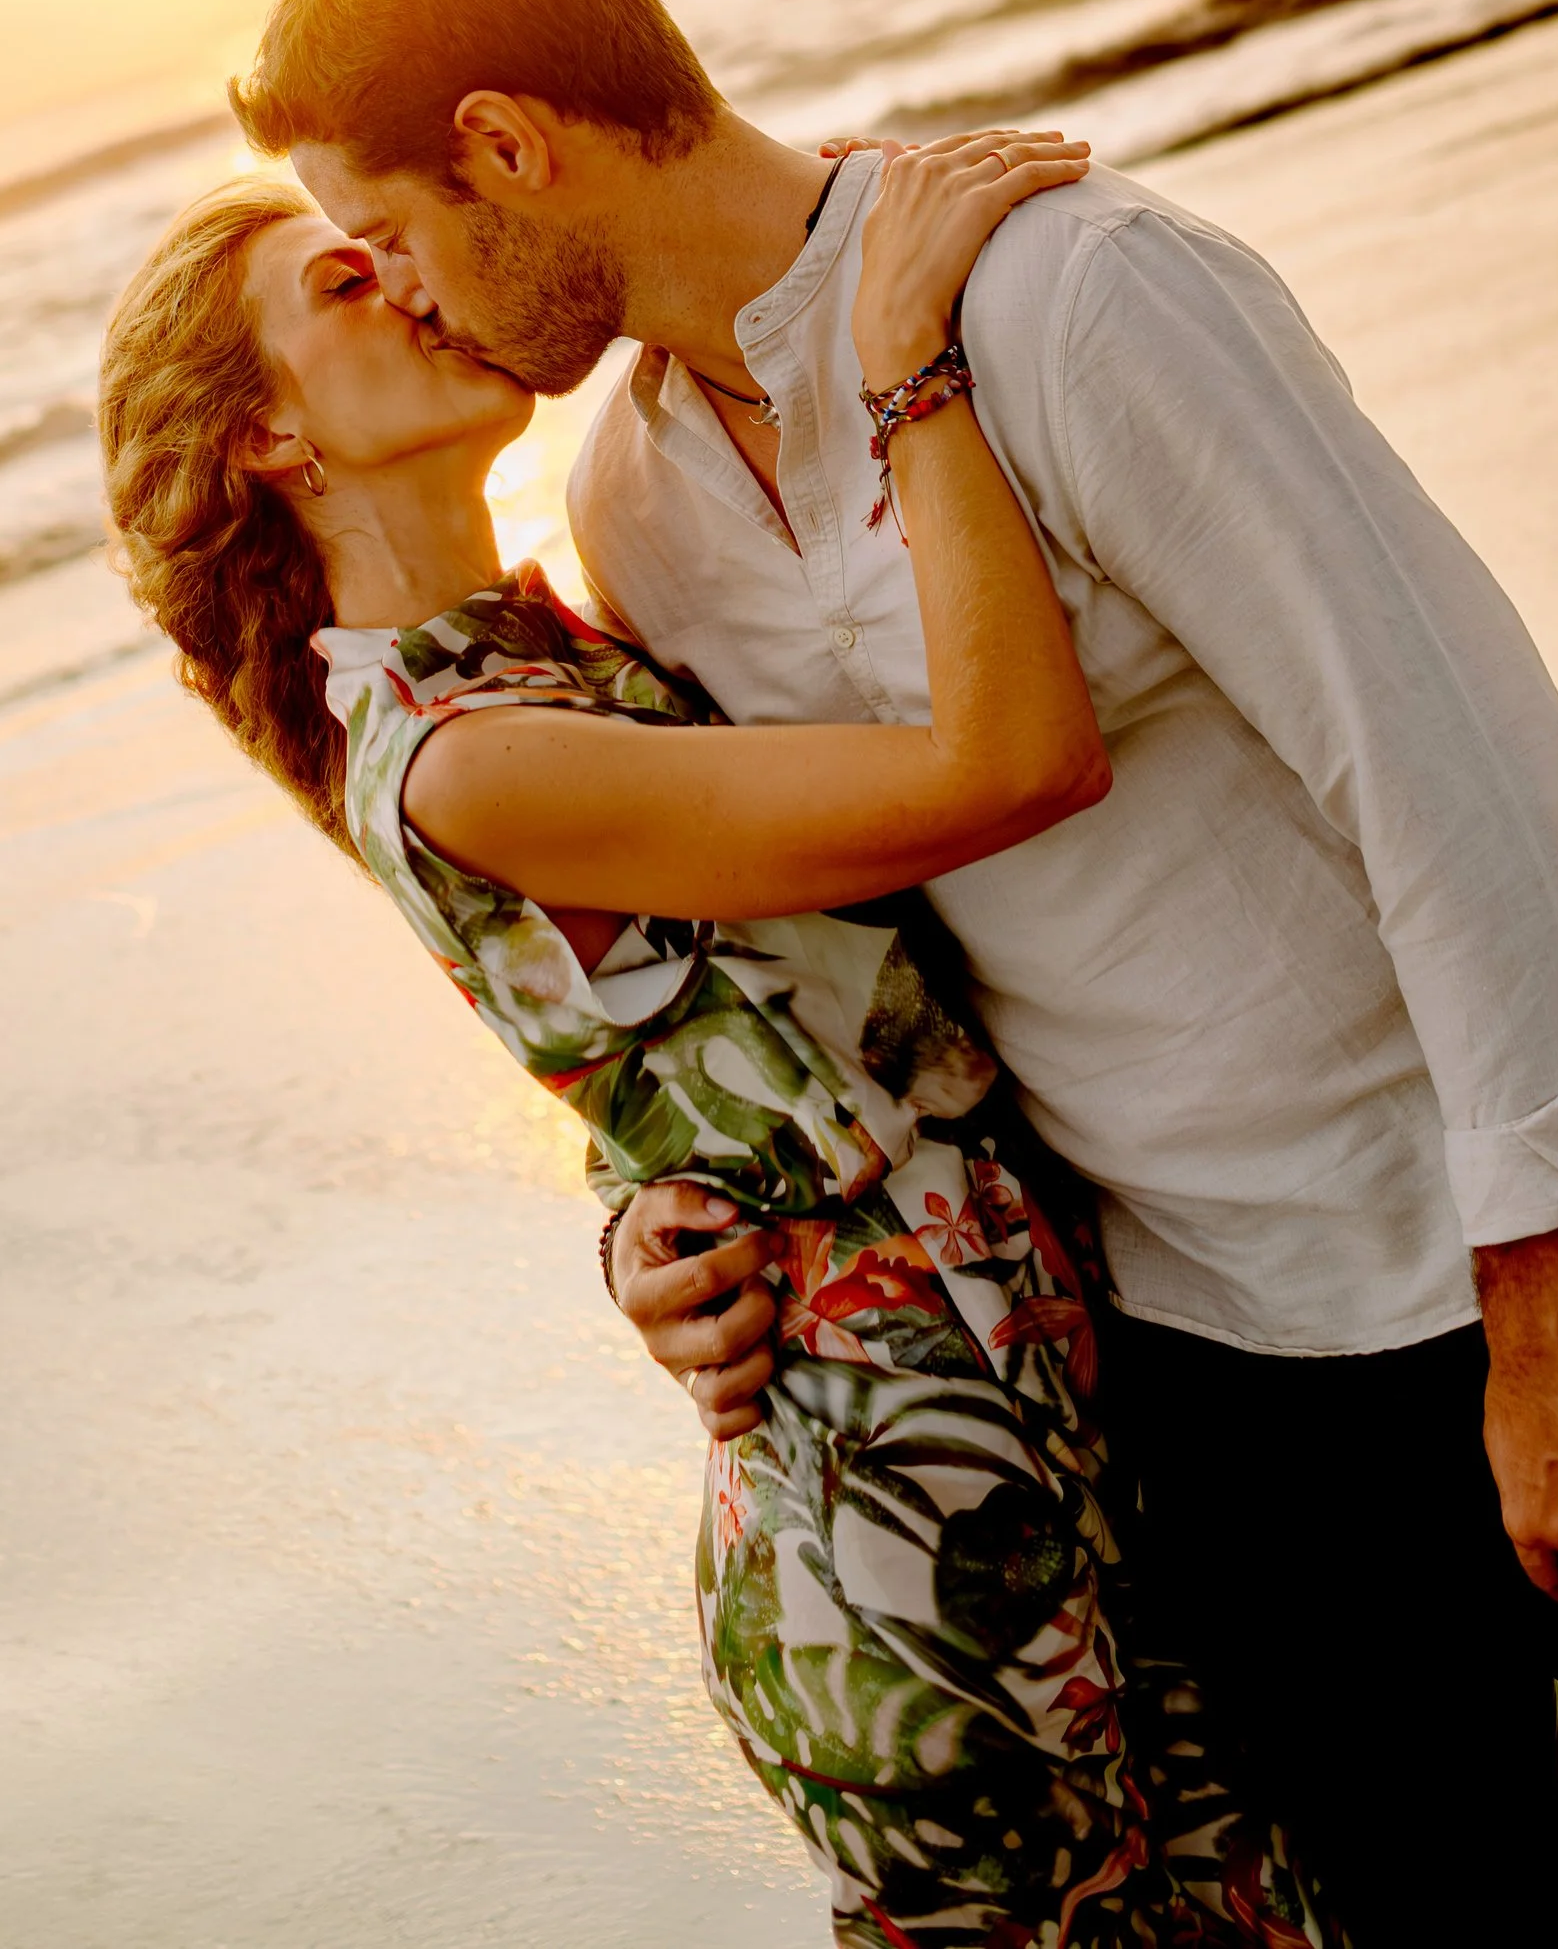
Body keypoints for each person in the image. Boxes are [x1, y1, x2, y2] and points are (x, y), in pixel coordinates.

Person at [228, 0, 1558, 1949]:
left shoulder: (1072, 296)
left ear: (504, 144)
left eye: (389, 229)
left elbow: (1455, 771)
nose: (400, 286)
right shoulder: (633, 507)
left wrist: (1549, 1318)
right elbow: (782, 964)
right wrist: (659, 1233)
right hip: (1220, 1373)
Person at [97, 140, 1336, 1948]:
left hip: (1018, 1392)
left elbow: (672, 1035)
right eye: (343, 281)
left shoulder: (538, 648)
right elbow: (1007, 764)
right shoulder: (470, 751)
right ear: (271, 439)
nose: (410, 277)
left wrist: (634, 1214)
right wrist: (902, 357)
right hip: (906, 1520)